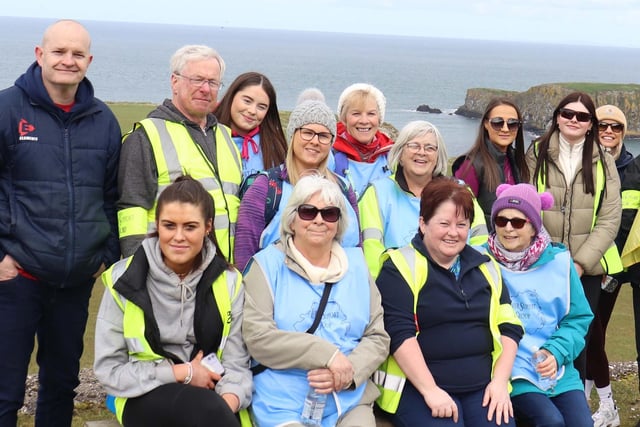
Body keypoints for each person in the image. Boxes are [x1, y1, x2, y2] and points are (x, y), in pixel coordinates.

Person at [0, 19, 121, 426]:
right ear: (39, 54)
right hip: (17, 278)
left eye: (77, 54)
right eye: (59, 52)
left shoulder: (103, 120)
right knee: (5, 390)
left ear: (89, 60)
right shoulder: (5, 109)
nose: (68, 61)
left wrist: (103, 255)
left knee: (60, 386)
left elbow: (111, 197)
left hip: (75, 281)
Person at [94, 176, 252, 427]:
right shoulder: (122, 279)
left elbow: (236, 364)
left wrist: (227, 403)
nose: (178, 237)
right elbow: (110, 371)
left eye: (190, 227)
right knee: (202, 409)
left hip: (212, 399)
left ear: (208, 227)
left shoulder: (230, 281)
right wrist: (184, 373)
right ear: (157, 224)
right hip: (143, 393)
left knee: (208, 411)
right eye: (169, 226)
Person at [242, 173, 389, 427]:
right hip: (283, 401)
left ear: (339, 222)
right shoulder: (265, 265)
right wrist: (328, 355)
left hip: (347, 398)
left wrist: (348, 371)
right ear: (292, 219)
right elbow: (258, 337)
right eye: (308, 212)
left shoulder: (357, 264)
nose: (319, 220)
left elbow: (377, 336)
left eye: (329, 213)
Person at [375, 177, 523, 427]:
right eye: (444, 223)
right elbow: (400, 335)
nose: (453, 232)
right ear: (423, 223)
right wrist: (431, 391)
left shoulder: (486, 266)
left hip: (482, 386)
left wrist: (499, 383)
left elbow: (510, 327)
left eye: (461, 224)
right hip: (418, 386)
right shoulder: (399, 267)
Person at [527, 91, 621, 382]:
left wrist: (579, 264)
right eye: (567, 113)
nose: (574, 120)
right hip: (541, 265)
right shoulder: (536, 153)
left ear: (591, 124)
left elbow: (609, 218)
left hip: (586, 272)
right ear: (557, 117)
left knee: (577, 343)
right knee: (538, 337)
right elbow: (527, 207)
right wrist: (548, 258)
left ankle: (572, 405)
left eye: (582, 116)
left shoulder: (604, 162)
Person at [117, 44, 242, 261]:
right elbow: (131, 211)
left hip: (222, 275)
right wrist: (139, 271)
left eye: (213, 82)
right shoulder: (147, 136)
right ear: (175, 81)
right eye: (197, 79)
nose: (206, 88)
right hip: (169, 275)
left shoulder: (226, 138)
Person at [484, 183, 593, 427]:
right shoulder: (481, 261)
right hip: (511, 369)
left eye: (518, 222)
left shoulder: (560, 262)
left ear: (534, 226)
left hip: (558, 368)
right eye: (501, 221)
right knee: (550, 421)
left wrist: (556, 351)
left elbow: (578, 318)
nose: (508, 228)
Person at [233, 90, 361, 271]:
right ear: (292, 135)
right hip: (276, 294)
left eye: (323, 135)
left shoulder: (344, 189)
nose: (315, 141)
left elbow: (356, 250)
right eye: (307, 132)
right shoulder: (266, 188)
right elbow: (245, 257)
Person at [359, 120, 487, 277]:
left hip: (457, 286)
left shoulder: (461, 191)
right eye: (414, 146)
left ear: (438, 156)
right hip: (396, 286)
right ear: (400, 154)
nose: (422, 152)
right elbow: (371, 251)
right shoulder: (377, 193)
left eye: (430, 148)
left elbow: (481, 243)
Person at [586, 105, 635, 427]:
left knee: (594, 332)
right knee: (586, 331)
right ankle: (586, 392)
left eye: (616, 126)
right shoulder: (584, 165)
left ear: (623, 131)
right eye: (602, 125)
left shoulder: (636, 169)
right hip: (584, 262)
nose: (608, 131)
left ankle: (607, 405)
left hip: (614, 266)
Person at [453, 98, 529, 229]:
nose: (505, 129)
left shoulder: (518, 162)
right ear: (486, 124)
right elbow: (459, 216)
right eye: (497, 122)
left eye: (512, 123)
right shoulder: (470, 166)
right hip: (484, 246)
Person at [213, 71, 288, 178]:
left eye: (261, 107)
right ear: (232, 96)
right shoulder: (207, 135)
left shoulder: (274, 147)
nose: (252, 111)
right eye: (247, 101)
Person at [331, 83, 394, 198]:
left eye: (371, 114)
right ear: (344, 118)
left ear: (379, 119)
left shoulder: (392, 157)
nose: (364, 121)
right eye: (356, 113)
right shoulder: (330, 156)